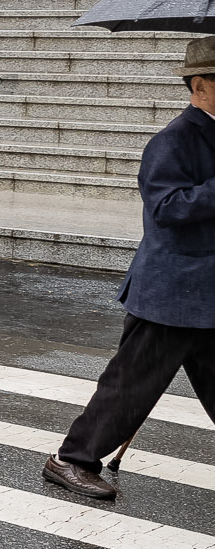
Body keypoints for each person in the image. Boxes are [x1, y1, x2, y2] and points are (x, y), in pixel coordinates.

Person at [44, 37, 215, 500]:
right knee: (132, 384)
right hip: (174, 291)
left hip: (208, 294)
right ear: (199, 85)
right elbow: (166, 207)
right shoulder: (173, 141)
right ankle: (71, 460)